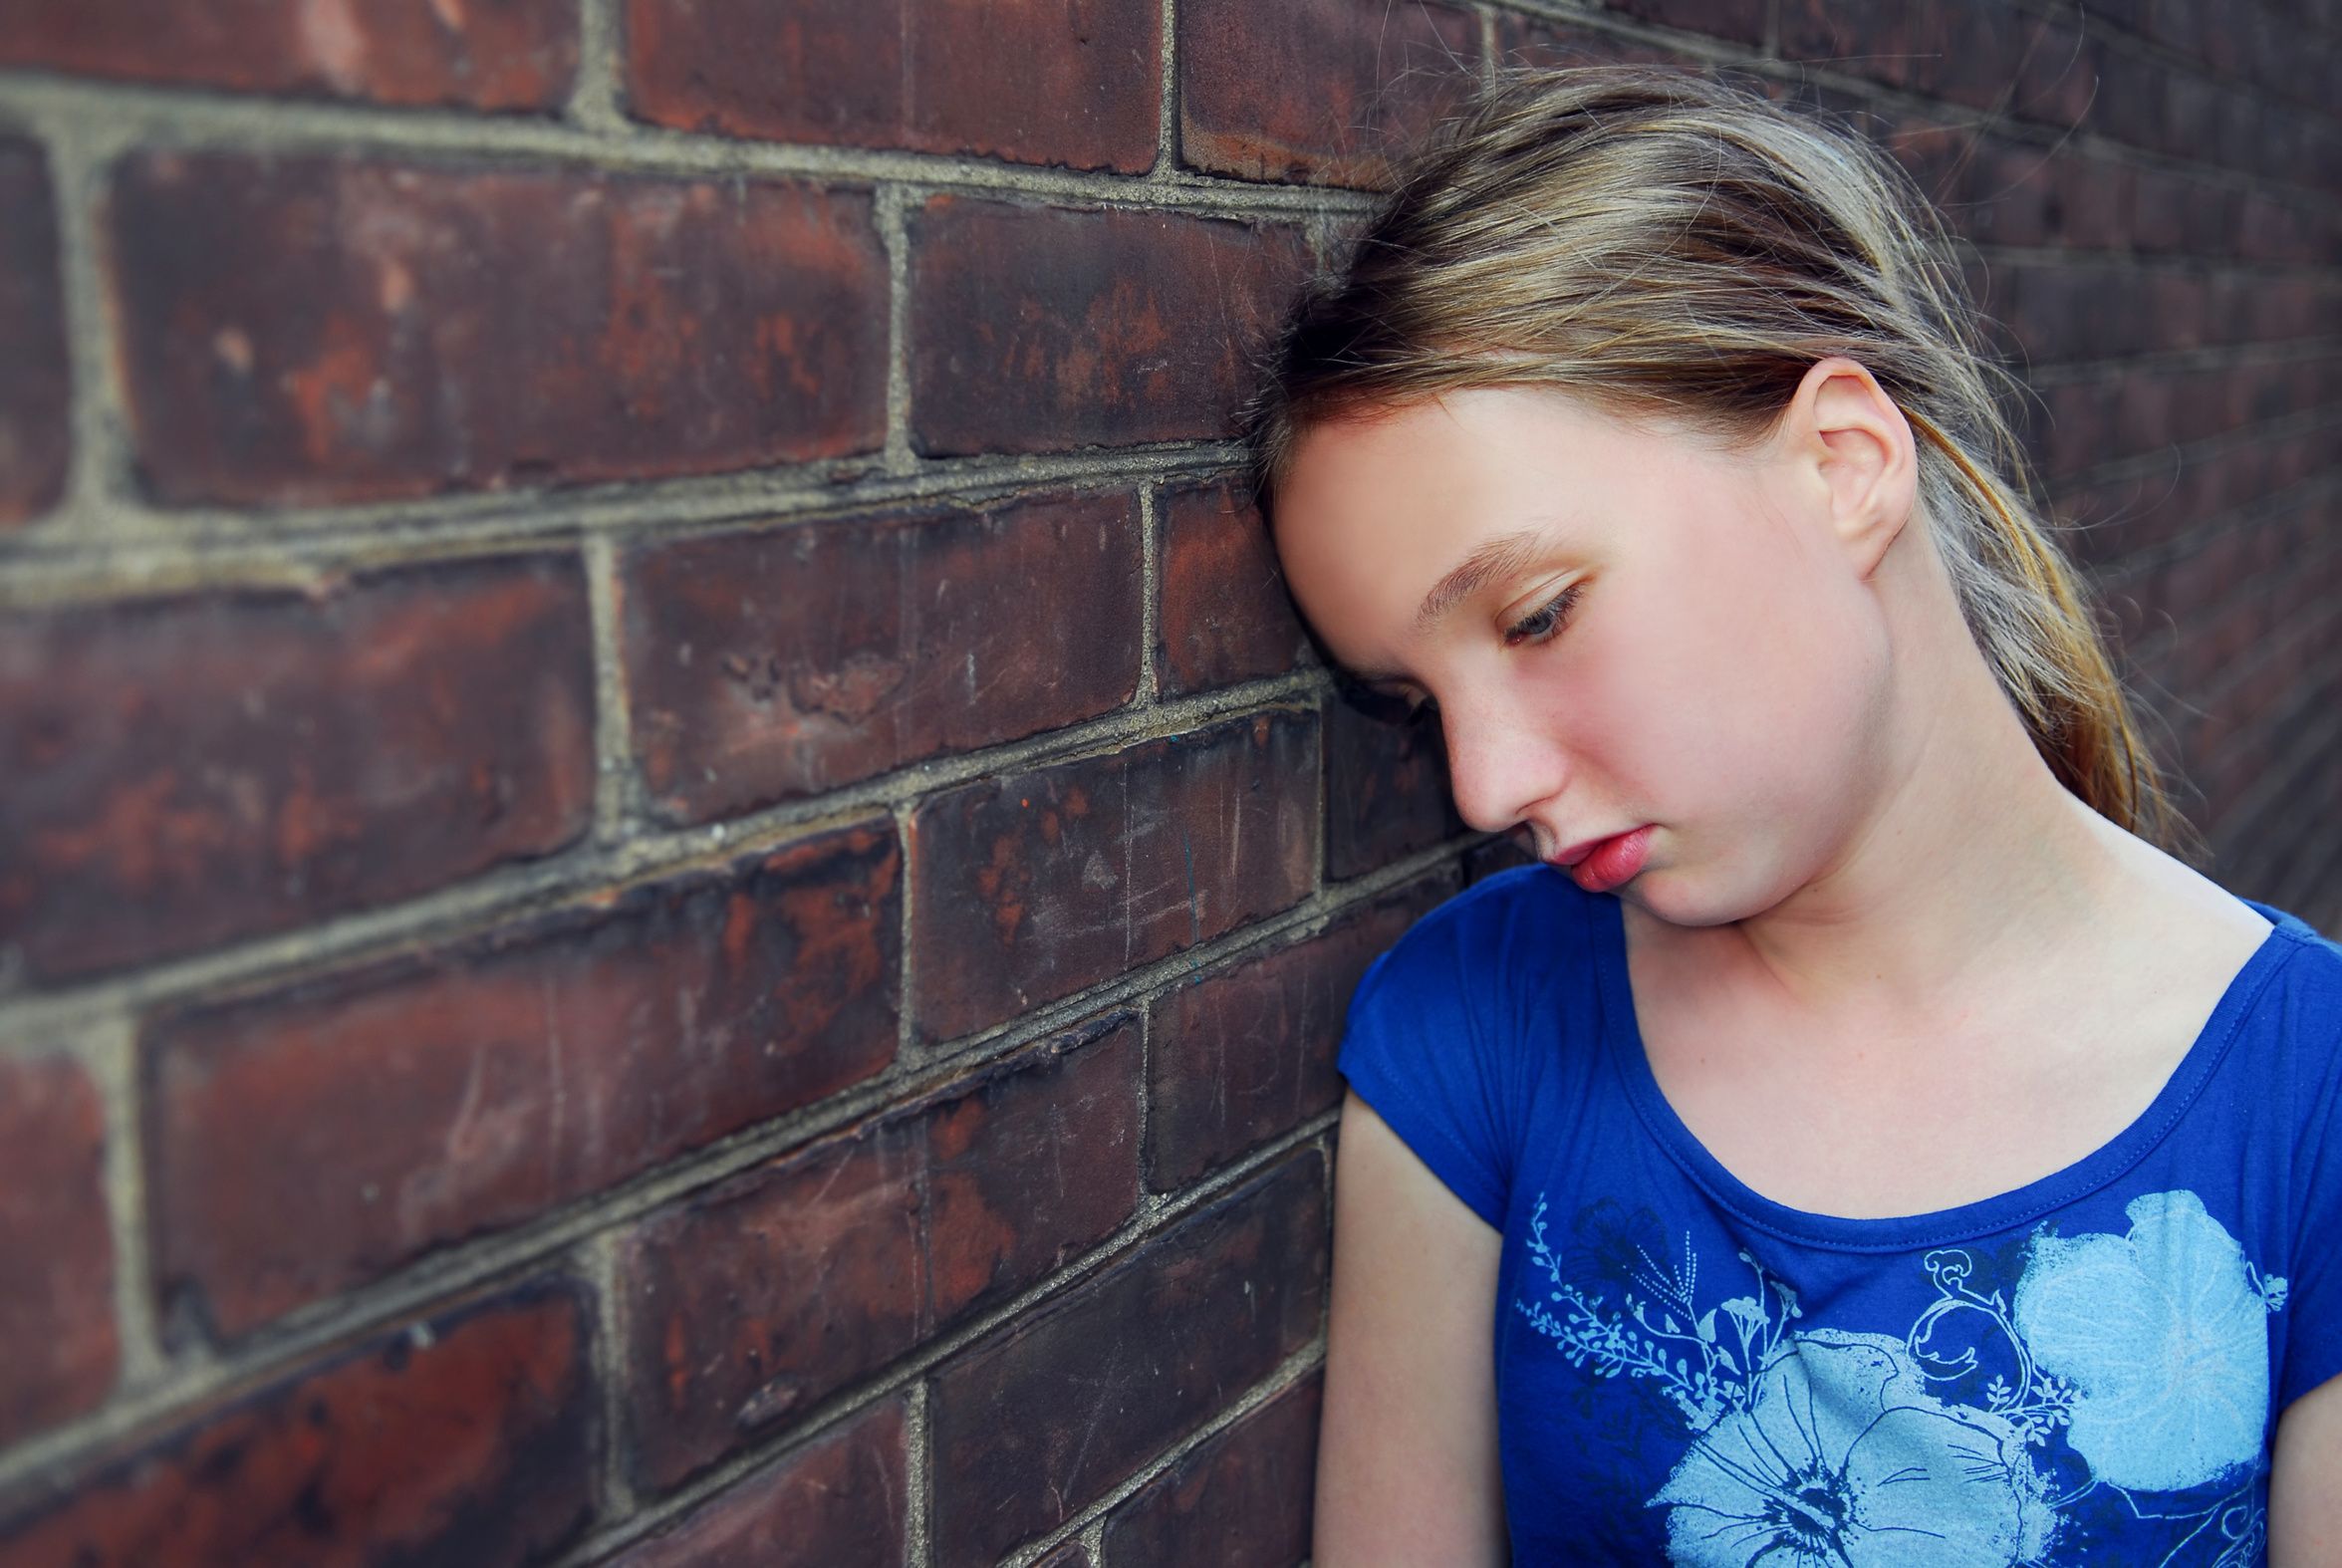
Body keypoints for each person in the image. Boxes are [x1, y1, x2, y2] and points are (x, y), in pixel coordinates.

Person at [1241, 65, 2342, 1565]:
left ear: (1843, 466)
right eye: (1419, 704)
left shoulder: (2308, 1100)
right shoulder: (1476, 1030)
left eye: (1541, 613)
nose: (1484, 786)